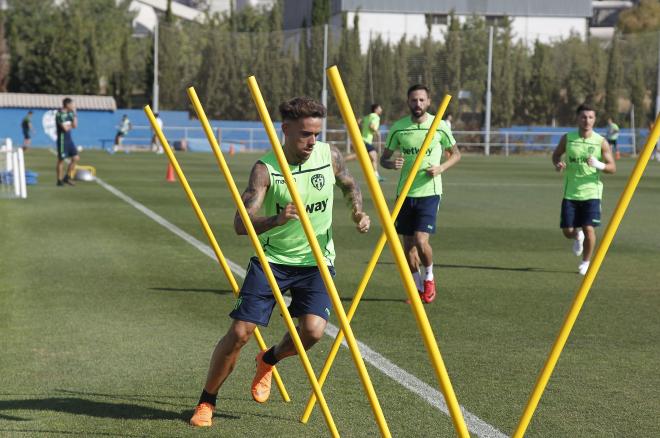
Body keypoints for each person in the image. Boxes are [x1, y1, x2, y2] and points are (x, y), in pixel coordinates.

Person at [189, 96, 371, 428]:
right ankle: (207, 400)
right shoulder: (265, 169)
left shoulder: (328, 155)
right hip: (273, 260)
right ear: (285, 129)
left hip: (317, 260)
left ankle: (268, 360)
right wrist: (277, 219)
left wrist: (358, 211)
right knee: (241, 332)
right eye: (305, 134)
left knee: (314, 332)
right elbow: (240, 224)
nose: (311, 141)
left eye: (316, 133)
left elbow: (349, 185)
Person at [380, 84, 461, 303]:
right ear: (408, 102)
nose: (418, 104)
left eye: (422, 100)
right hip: (405, 193)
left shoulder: (439, 126)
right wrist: (390, 163)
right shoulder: (398, 128)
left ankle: (429, 278)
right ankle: (416, 288)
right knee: (408, 246)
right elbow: (382, 158)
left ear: (428, 101)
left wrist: (440, 168)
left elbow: (456, 154)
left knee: (420, 239)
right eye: (414, 100)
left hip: (430, 191)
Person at [552, 103, 616, 275]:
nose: (586, 120)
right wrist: (558, 164)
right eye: (583, 117)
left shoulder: (600, 141)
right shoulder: (568, 138)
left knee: (589, 228)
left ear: (594, 120)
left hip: (592, 192)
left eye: (590, 117)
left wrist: (599, 164)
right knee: (567, 231)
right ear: (577, 118)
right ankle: (576, 236)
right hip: (571, 192)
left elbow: (612, 167)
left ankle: (586, 262)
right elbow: (556, 154)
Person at [55, 98, 79, 186]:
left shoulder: (71, 113)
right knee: (61, 160)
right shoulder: (59, 114)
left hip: (69, 140)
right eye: (72, 104)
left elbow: (75, 125)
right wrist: (70, 125)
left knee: (76, 158)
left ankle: (67, 177)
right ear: (67, 104)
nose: (73, 106)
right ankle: (59, 180)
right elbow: (64, 129)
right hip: (62, 140)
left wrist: (75, 114)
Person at [360, 103, 384, 181]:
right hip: (365, 140)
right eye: (380, 108)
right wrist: (377, 132)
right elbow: (371, 126)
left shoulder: (367, 116)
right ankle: (375, 176)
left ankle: (375, 175)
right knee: (374, 156)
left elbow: (359, 121)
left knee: (372, 157)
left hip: (362, 140)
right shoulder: (376, 117)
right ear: (376, 109)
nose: (381, 110)